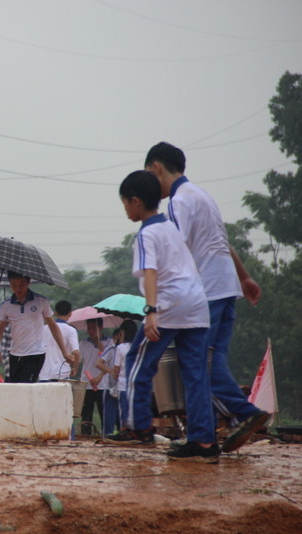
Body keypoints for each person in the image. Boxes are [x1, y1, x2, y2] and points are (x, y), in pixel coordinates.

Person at [145, 141, 269, 452]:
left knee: (197, 363)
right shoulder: (202, 196)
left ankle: (231, 419)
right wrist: (244, 277)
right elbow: (223, 242)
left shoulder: (179, 202)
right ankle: (205, 434)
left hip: (207, 292)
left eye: (149, 175)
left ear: (157, 168)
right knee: (209, 361)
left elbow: (176, 251)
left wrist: (159, 302)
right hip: (226, 287)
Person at [106, 170, 217, 463]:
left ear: (135, 201)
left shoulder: (147, 233)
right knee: (195, 374)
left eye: (125, 203)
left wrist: (151, 312)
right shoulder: (171, 227)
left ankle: (138, 427)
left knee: (137, 362)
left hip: (168, 305)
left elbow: (151, 272)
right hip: (196, 305)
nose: (125, 210)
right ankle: (204, 441)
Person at [0, 272, 72, 383]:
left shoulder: (41, 301)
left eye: (22, 284)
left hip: (36, 353)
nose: (18, 289)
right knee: (15, 386)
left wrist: (64, 352)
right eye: (14, 285)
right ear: (10, 284)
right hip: (15, 354)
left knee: (27, 385)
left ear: (28, 282)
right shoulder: (6, 306)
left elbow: (53, 326)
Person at [78, 318, 114, 435]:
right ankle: (85, 437)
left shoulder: (110, 343)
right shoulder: (83, 343)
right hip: (87, 383)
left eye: (94, 329)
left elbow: (111, 364)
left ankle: (106, 436)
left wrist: (102, 350)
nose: (91, 332)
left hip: (103, 385)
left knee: (104, 414)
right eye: (89, 329)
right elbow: (79, 360)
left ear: (101, 328)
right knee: (86, 415)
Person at [38, 300, 79, 381]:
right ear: (70, 313)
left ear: (55, 313)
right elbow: (76, 353)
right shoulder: (71, 330)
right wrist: (75, 368)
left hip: (44, 374)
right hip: (62, 374)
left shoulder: (43, 329)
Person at [94, 328, 121, 436]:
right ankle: (107, 437)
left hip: (123, 387)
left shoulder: (128, 349)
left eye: (120, 336)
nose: (118, 339)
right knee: (109, 417)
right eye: (116, 337)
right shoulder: (111, 349)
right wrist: (111, 371)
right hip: (110, 387)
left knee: (121, 418)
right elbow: (99, 363)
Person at [112, 320, 137, 426]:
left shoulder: (120, 348)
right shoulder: (139, 347)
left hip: (123, 386)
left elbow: (116, 369)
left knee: (124, 415)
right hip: (136, 385)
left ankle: (125, 432)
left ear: (124, 332)